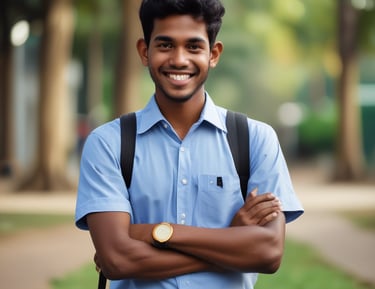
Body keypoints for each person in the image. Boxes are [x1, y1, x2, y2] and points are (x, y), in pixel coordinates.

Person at [75, 0, 304, 288]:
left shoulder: (256, 139)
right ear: (144, 52)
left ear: (214, 54)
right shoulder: (108, 144)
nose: (179, 60)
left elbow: (268, 253)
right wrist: (232, 239)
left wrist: (160, 232)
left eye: (194, 46)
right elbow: (117, 260)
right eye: (165, 45)